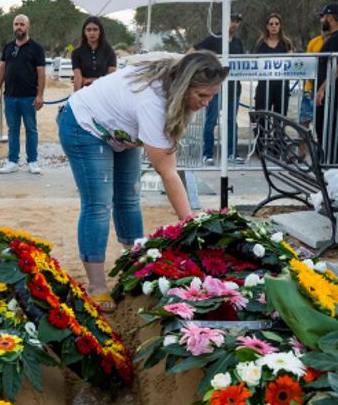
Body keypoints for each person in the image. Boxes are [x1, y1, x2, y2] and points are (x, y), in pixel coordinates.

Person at [57, 51, 227, 312]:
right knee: (99, 204)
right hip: (85, 124)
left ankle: (136, 266)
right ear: (183, 86)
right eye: (201, 95)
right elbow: (168, 173)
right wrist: (192, 226)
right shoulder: (153, 103)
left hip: (121, 130)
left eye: (212, 96)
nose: (206, 102)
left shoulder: (178, 68)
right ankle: (97, 286)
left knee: (128, 198)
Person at [0, 14, 46, 174]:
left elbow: (41, 73)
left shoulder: (36, 48)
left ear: (28, 27)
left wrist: (40, 95)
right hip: (10, 97)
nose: (19, 27)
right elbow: (2, 69)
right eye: (16, 24)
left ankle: (33, 161)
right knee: (12, 130)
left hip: (29, 97)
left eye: (22, 24)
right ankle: (12, 161)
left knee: (31, 129)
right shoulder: (8, 47)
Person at [190, 13, 244, 164]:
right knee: (211, 120)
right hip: (214, 89)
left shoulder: (238, 42)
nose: (234, 24)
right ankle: (208, 154)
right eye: (231, 20)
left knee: (231, 121)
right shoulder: (214, 39)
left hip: (233, 88)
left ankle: (232, 153)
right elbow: (192, 51)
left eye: (237, 21)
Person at [315, 2, 338, 159]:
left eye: (323, 16)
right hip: (330, 92)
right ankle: (326, 160)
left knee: (327, 127)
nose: (321, 20)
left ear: (330, 17)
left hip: (332, 93)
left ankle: (330, 161)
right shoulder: (334, 37)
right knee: (323, 127)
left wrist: (322, 89)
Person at [253, 13, 293, 116]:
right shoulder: (260, 43)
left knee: (279, 120)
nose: (274, 26)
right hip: (264, 86)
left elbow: (292, 64)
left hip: (282, 87)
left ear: (280, 25)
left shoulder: (287, 43)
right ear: (267, 26)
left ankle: (278, 133)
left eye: (276, 23)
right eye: (271, 24)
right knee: (261, 119)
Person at [299, 15, 331, 129]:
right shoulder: (314, 41)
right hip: (310, 89)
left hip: (327, 89)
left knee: (323, 124)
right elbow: (307, 65)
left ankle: (321, 147)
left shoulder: (335, 41)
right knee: (304, 122)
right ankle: (302, 147)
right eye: (322, 26)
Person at [71, 16, 117, 92]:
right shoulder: (76, 52)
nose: (92, 32)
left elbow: (111, 76)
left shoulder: (109, 51)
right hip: (85, 92)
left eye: (95, 29)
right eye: (88, 30)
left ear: (100, 31)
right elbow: (77, 77)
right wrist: (76, 97)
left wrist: (92, 80)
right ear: (84, 32)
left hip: (104, 92)